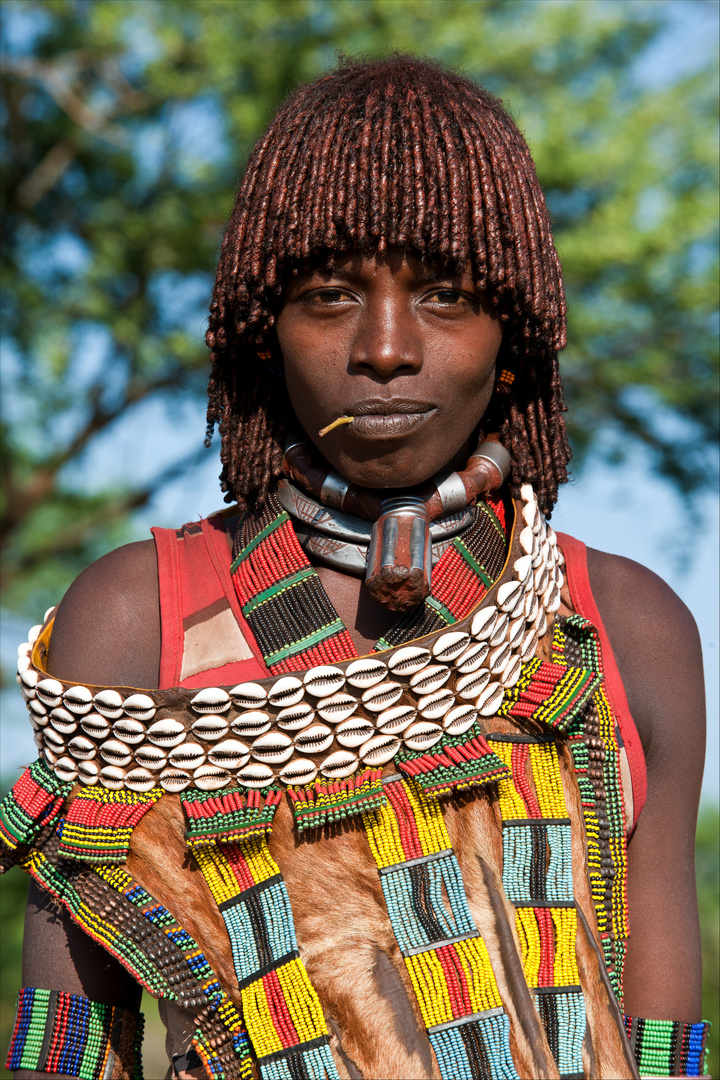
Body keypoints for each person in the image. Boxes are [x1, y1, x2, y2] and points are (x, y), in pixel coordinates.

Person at [2, 55, 709, 1080]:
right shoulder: (138, 617)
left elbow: (666, 1048)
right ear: (263, 330)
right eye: (330, 294)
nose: (385, 347)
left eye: (447, 296)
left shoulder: (625, 629)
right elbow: (65, 1044)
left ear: (513, 331)